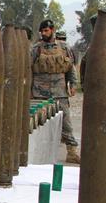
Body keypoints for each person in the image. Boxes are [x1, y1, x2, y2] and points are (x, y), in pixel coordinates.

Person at [31, 19, 80, 164]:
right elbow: (29, 69)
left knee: (66, 123)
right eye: (42, 31)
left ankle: (71, 151)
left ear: (52, 30)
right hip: (40, 92)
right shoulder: (36, 49)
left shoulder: (64, 47)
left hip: (60, 91)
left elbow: (70, 68)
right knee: (39, 124)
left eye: (46, 30)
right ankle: (39, 151)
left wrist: (73, 84)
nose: (44, 33)